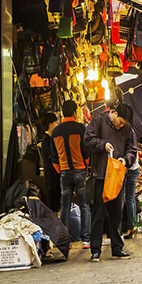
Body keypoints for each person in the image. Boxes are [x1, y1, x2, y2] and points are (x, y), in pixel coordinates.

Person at [83, 103, 138, 262]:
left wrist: (126, 160)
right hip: (100, 175)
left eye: (124, 124)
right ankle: (95, 250)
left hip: (117, 176)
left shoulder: (127, 128)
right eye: (119, 122)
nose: (120, 126)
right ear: (113, 113)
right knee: (98, 213)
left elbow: (132, 148)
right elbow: (87, 139)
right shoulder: (99, 120)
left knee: (116, 213)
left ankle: (117, 248)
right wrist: (102, 144)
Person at [50, 101, 91, 248]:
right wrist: (86, 164)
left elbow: (53, 156)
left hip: (65, 172)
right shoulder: (81, 128)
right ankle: (86, 240)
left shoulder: (55, 131)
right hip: (80, 170)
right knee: (85, 206)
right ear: (74, 112)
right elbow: (86, 150)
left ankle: (65, 241)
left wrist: (60, 170)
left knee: (65, 207)